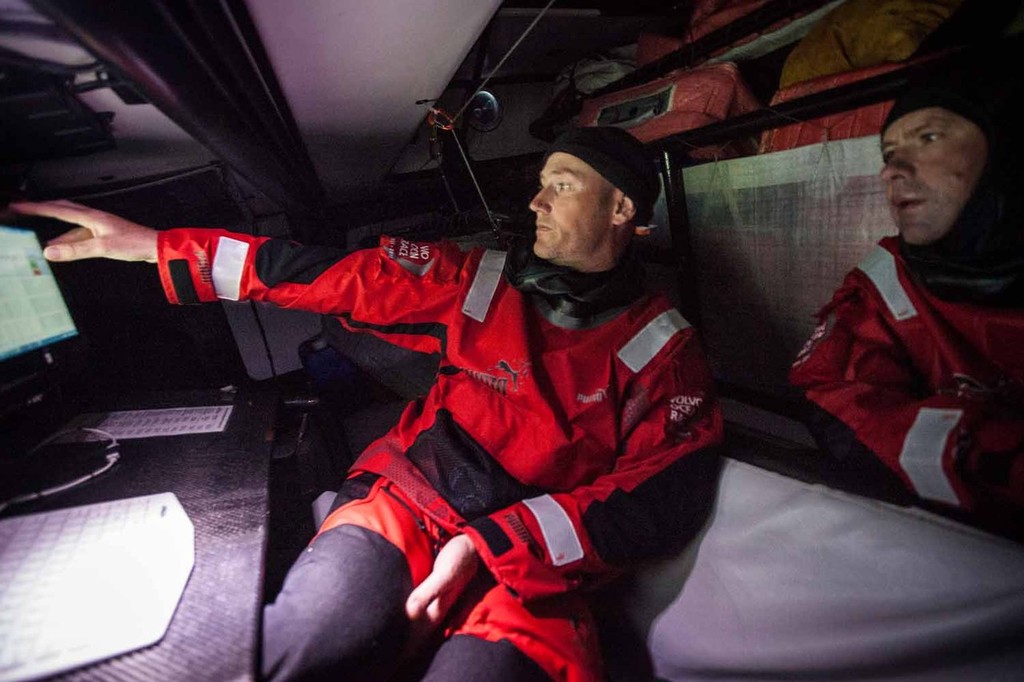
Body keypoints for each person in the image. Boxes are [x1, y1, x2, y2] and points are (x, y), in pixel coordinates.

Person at [12, 126, 724, 682]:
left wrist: (493, 546)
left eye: (560, 185)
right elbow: (334, 277)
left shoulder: (663, 351)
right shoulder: (481, 282)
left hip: (527, 568)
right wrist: (157, 246)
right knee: (302, 643)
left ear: (622, 206)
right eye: (539, 184)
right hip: (409, 503)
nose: (534, 202)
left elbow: (664, 495)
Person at [789, 79, 1024, 540]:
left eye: (929, 137)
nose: (891, 171)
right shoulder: (886, 280)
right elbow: (832, 395)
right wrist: (993, 456)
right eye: (888, 152)